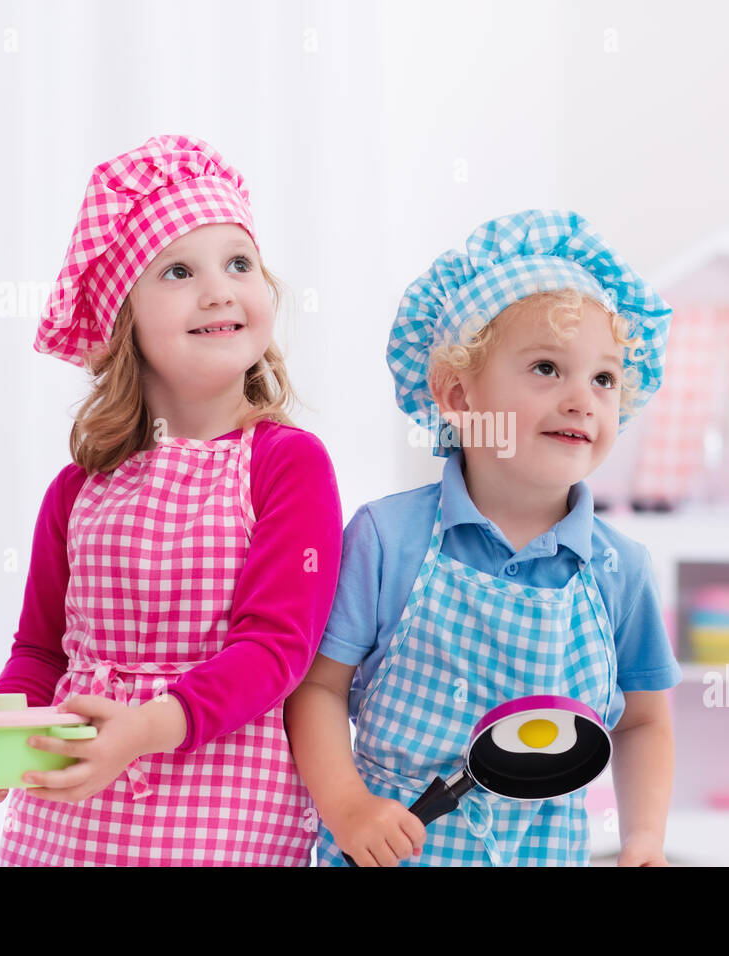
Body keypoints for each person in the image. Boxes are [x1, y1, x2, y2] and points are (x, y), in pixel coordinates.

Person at [0, 134, 342, 866]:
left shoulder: (287, 464)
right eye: (178, 270)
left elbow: (276, 651)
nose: (220, 289)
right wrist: (1, 728)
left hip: (225, 810)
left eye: (239, 263)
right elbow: (39, 651)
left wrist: (146, 727)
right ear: (123, 320)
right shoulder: (77, 489)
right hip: (73, 810)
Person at [285, 209, 681, 866]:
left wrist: (643, 840)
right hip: (390, 848)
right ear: (457, 395)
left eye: (604, 378)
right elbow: (318, 688)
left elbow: (642, 721)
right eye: (548, 369)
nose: (583, 397)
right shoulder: (388, 539)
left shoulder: (620, 567)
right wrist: (347, 805)